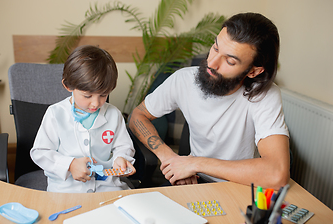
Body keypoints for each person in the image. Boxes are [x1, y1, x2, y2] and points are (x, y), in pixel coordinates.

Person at [128, 12, 290, 190]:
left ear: (253, 71)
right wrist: (170, 158)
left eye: (229, 61)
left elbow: (276, 174)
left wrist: (196, 163)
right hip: (193, 179)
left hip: (240, 185)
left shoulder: (264, 95)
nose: (211, 62)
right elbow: (138, 116)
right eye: (215, 47)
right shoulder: (183, 80)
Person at [31, 45, 136, 193]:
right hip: (67, 189)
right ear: (68, 86)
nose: (96, 103)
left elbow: (123, 146)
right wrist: (70, 164)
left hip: (106, 187)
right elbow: (40, 152)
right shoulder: (55, 113)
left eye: (103, 95)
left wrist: (121, 158)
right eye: (87, 96)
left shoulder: (113, 114)